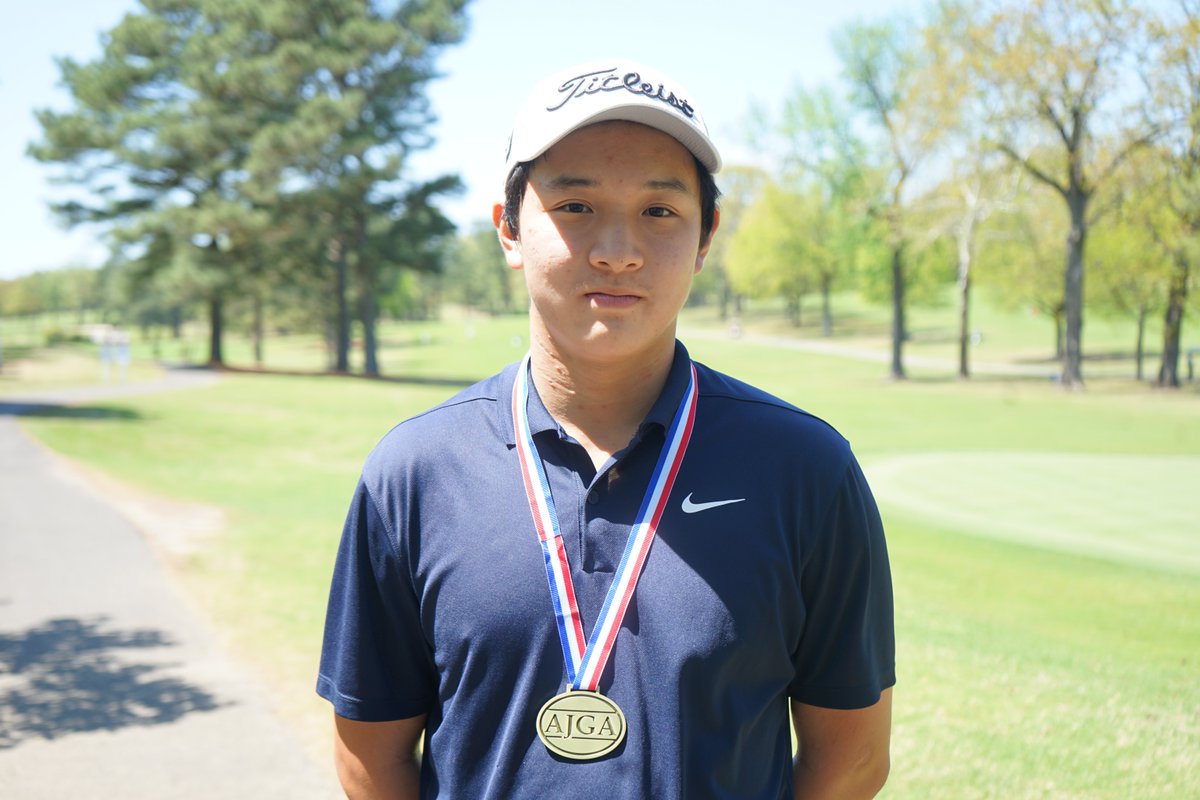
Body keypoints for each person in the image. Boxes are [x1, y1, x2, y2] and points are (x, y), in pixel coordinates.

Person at [317, 59, 895, 799]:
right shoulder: (415, 471)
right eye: (576, 206)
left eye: (660, 211)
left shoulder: (806, 468)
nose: (617, 250)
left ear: (706, 235)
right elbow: (370, 758)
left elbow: (850, 759)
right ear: (508, 228)